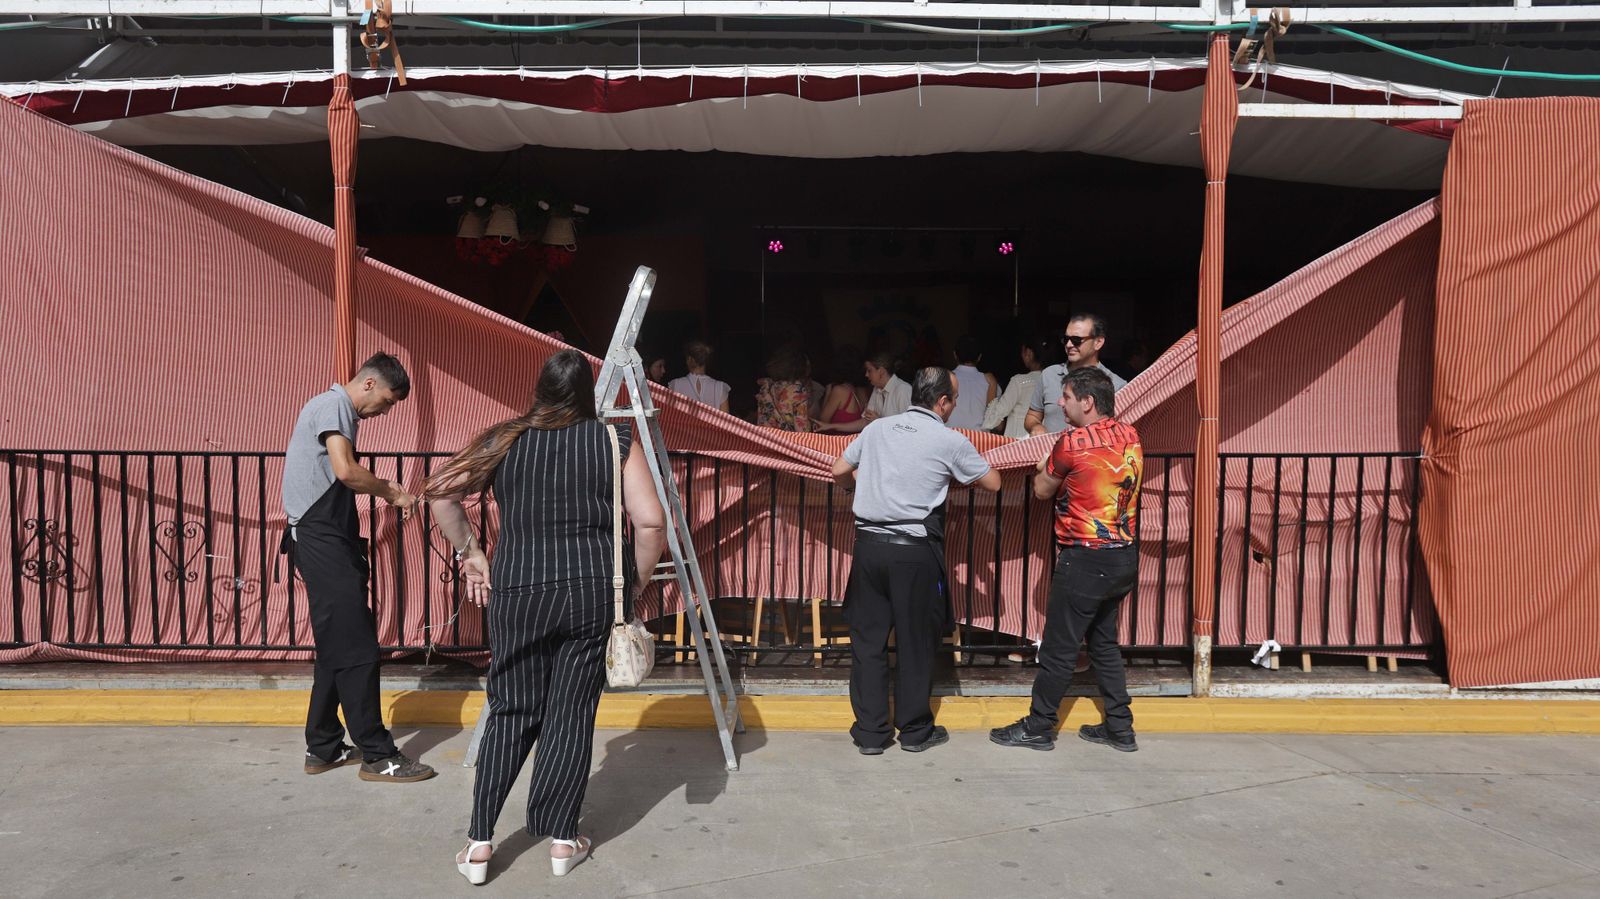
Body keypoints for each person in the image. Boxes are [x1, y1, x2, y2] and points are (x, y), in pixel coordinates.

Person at [428, 350, 667, 883]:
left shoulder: (505, 437)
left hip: (517, 591)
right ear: (588, 394)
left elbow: (441, 491)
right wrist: (632, 588)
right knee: (571, 713)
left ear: (539, 388)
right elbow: (650, 524)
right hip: (590, 595)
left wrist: (472, 553)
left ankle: (479, 845)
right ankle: (563, 840)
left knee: (510, 709)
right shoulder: (613, 441)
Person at [832, 367, 1002, 754]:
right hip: (915, 550)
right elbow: (993, 482)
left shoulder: (877, 430)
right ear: (941, 402)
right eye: (954, 400)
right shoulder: (949, 440)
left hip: (870, 546)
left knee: (868, 641)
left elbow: (839, 470)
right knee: (915, 642)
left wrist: (855, 487)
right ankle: (914, 731)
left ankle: (872, 734)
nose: (955, 406)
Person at [282, 352, 435, 784]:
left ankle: (324, 745)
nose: (384, 411)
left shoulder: (326, 406)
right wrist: (391, 491)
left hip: (324, 539)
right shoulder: (335, 406)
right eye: (386, 401)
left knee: (337, 646)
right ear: (368, 384)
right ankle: (376, 754)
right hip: (320, 539)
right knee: (359, 650)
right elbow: (346, 471)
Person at [991, 367, 1144, 753]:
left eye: (1068, 397)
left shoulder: (1072, 442)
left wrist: (1044, 463)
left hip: (1085, 558)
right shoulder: (1131, 435)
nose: (1061, 403)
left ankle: (1039, 726)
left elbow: (1043, 490)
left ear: (1087, 402)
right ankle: (1120, 727)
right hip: (1123, 555)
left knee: (1059, 648)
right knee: (1105, 645)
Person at [1026, 314, 1129, 436]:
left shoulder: (1116, 386)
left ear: (1098, 342)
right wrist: (1036, 427)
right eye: (1065, 339)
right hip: (1049, 453)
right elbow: (1032, 416)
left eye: (1076, 340)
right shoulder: (1049, 375)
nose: (1069, 345)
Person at [984, 336, 1051, 439]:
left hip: (1017, 446)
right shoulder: (1054, 381)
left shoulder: (1020, 382)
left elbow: (992, 420)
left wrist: (992, 385)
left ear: (1029, 353)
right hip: (1044, 446)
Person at [754, 346, 814, 431]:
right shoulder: (798, 391)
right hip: (787, 440)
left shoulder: (768, 388)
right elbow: (801, 428)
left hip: (767, 438)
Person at [946, 335, 1000, 431]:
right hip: (981, 443)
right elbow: (997, 423)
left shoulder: (943, 381)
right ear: (979, 357)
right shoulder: (991, 384)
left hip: (950, 441)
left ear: (954, 355)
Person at [813, 352, 871, 433]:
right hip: (852, 441)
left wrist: (828, 392)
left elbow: (823, 420)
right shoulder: (862, 391)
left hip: (837, 442)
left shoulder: (840, 391)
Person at [667, 340, 731, 413]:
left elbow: (670, 416)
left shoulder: (675, 385)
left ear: (689, 359)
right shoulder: (720, 387)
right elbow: (725, 422)